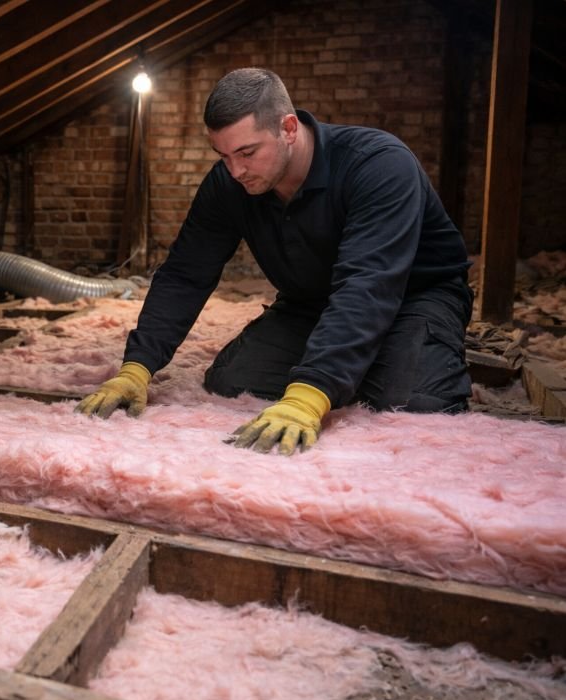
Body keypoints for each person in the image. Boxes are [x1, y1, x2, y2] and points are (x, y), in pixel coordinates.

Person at [78, 67, 472, 455]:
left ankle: (380, 359)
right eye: (224, 155)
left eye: (248, 153)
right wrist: (137, 367)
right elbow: (185, 274)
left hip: (413, 298)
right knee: (231, 380)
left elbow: (369, 283)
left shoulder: (378, 164)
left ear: (288, 128)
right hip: (310, 304)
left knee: (418, 403)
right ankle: (354, 360)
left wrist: (307, 397)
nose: (236, 170)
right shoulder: (229, 183)